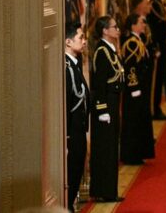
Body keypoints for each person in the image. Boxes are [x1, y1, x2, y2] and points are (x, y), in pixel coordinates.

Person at [88, 16, 126, 202]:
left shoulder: (111, 50)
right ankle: (105, 191)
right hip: (106, 104)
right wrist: (102, 109)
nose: (118, 29)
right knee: (105, 148)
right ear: (104, 30)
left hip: (114, 100)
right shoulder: (102, 52)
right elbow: (99, 83)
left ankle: (109, 190)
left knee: (112, 147)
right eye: (114, 27)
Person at [120, 14, 155, 165]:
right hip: (135, 90)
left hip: (142, 88)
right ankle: (131, 154)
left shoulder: (140, 41)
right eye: (141, 22)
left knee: (140, 120)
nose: (144, 25)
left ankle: (139, 152)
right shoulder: (131, 44)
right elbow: (131, 68)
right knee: (133, 121)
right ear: (133, 25)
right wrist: (134, 87)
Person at [64, 21, 89, 212]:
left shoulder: (74, 64)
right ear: (68, 42)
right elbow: (66, 102)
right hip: (72, 132)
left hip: (79, 128)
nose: (84, 41)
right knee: (72, 172)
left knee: (77, 169)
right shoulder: (66, 69)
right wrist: (66, 136)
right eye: (80, 38)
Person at [147, 0, 166, 120]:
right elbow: (155, 29)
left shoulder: (159, 3)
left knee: (161, 77)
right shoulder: (154, 4)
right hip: (158, 47)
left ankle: (157, 107)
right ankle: (154, 109)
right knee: (156, 80)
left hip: (163, 45)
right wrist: (156, 46)